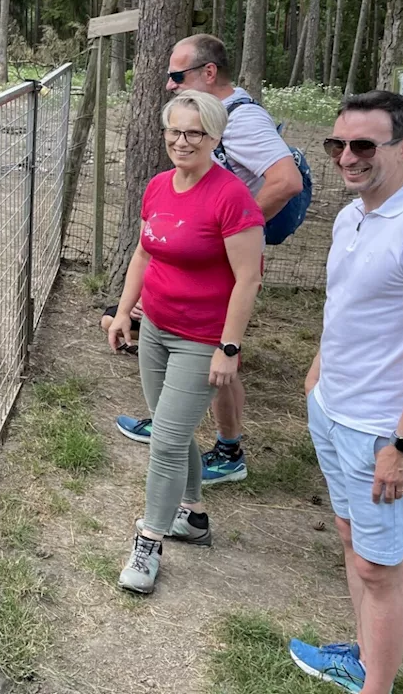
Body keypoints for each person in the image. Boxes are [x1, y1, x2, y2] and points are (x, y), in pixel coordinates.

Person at [287, 91, 403, 694]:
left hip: (381, 431)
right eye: (337, 144)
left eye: (364, 145)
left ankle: (377, 685)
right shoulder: (353, 215)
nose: (347, 157)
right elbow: (349, 309)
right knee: (351, 540)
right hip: (334, 410)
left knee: (378, 564)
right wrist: (319, 373)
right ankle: (363, 657)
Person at [114, 33, 304, 486]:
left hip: (221, 273)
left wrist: (227, 231)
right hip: (193, 273)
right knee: (210, 369)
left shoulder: (242, 121)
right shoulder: (174, 162)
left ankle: (226, 448)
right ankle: (193, 440)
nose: (169, 85)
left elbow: (287, 180)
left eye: (177, 76)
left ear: (209, 73)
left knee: (221, 356)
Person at [106, 90, 264, 595]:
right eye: (174, 130)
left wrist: (229, 346)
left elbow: (249, 279)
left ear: (215, 137)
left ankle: (149, 540)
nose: (181, 141)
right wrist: (125, 311)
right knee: (172, 433)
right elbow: (144, 254)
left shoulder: (230, 196)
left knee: (168, 441)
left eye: (193, 132)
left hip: (202, 338)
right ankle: (193, 516)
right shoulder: (157, 187)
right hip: (155, 327)